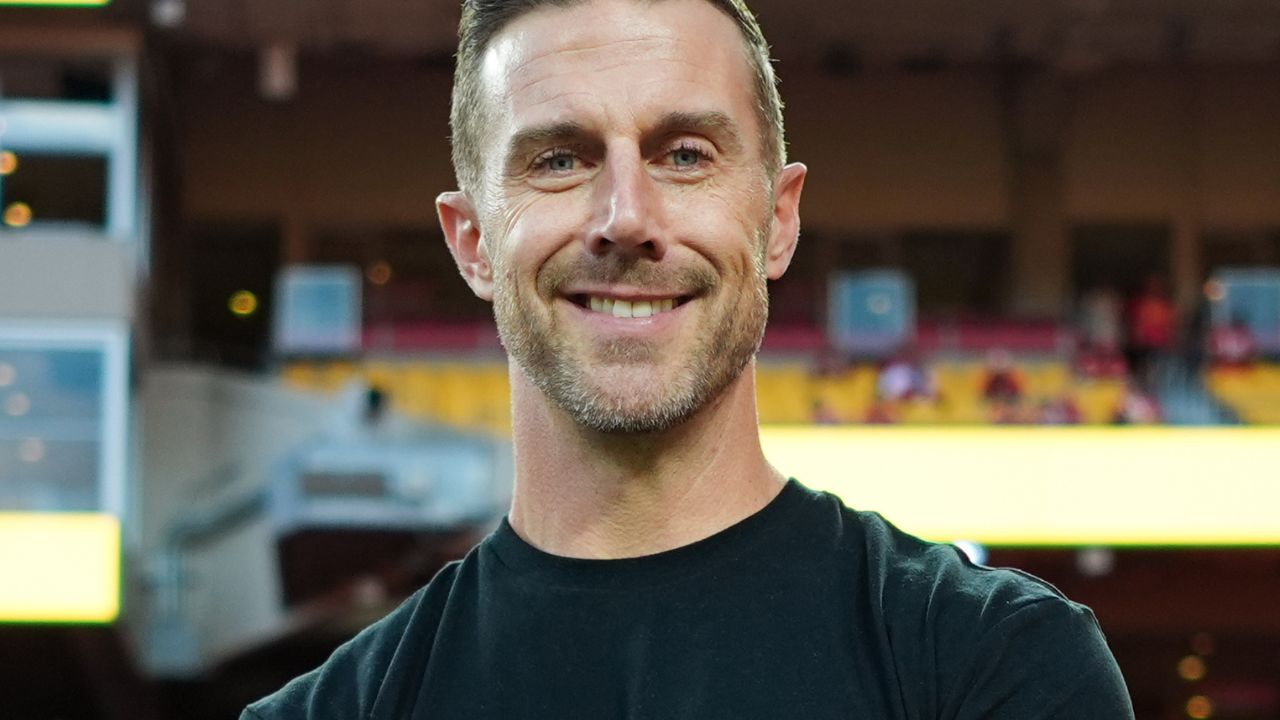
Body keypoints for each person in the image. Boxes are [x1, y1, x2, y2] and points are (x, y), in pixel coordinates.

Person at [243, 0, 1134, 717]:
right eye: (559, 159)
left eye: (685, 154)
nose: (625, 215)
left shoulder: (996, 664)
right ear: (472, 241)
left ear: (778, 218)